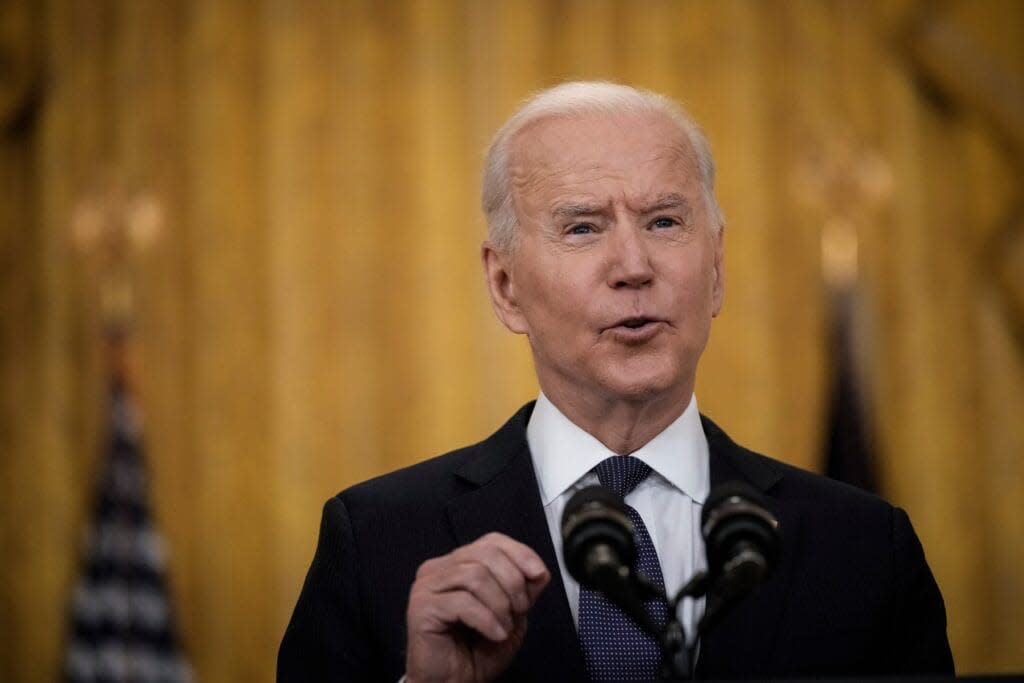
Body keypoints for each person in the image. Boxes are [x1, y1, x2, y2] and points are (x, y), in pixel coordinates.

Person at [277, 81, 954, 682]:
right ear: (505, 284)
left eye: (664, 221)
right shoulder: (376, 541)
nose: (633, 264)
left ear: (715, 269)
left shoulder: (865, 546)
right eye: (582, 227)